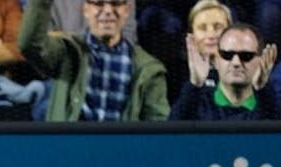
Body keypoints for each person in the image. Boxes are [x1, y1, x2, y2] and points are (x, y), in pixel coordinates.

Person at [18, 0, 170, 121]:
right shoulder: (68, 53)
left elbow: (158, 125)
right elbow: (30, 45)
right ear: (86, 10)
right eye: (98, 3)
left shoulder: (148, 69)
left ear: (127, 10)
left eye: (116, 3)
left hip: (121, 154)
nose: (108, 10)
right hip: (71, 151)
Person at [170, 23, 281, 119]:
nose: (236, 63)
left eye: (246, 56)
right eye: (227, 55)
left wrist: (263, 91)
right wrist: (194, 85)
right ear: (216, 59)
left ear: (261, 60)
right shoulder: (196, 103)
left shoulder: (279, 104)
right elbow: (169, 138)